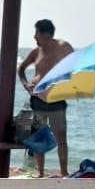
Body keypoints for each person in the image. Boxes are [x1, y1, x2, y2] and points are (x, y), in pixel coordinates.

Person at [17, 19, 73, 176]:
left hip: (57, 98)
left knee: (61, 137)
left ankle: (64, 172)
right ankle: (40, 172)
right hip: (38, 99)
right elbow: (21, 69)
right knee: (39, 137)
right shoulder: (36, 52)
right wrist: (26, 84)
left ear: (45, 34)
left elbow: (76, 66)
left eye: (36, 33)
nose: (34, 37)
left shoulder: (63, 47)